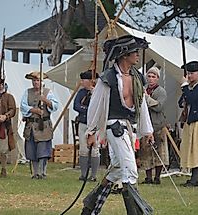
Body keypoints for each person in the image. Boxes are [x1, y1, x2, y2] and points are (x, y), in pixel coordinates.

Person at [81, 35, 154, 215]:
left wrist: (147, 131)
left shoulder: (137, 77)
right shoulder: (108, 78)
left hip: (130, 127)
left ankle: (90, 206)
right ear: (124, 55)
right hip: (114, 127)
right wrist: (91, 131)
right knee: (130, 170)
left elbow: (141, 104)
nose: (137, 55)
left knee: (118, 169)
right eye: (134, 52)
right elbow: (96, 105)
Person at [20, 71, 59, 179]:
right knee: (32, 150)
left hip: (43, 126)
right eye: (34, 80)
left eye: (37, 80)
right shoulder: (27, 92)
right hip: (31, 125)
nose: (35, 82)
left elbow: (55, 106)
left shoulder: (48, 92)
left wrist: (45, 100)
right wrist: (34, 110)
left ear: (42, 82)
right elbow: (23, 106)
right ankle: (35, 173)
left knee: (43, 151)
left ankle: (42, 172)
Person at [178, 61, 198, 187]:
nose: (189, 76)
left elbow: (191, 98)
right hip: (189, 121)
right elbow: (181, 102)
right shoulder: (190, 87)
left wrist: (185, 86)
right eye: (188, 73)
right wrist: (185, 89)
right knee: (188, 149)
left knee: (196, 149)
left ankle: (195, 179)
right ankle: (192, 178)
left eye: (191, 73)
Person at [140, 67, 168, 185]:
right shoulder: (143, 89)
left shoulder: (161, 91)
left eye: (153, 76)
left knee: (159, 151)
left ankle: (157, 177)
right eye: (149, 76)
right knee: (146, 151)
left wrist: (147, 98)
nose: (151, 79)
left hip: (157, 124)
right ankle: (148, 177)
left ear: (157, 78)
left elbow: (158, 106)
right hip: (146, 124)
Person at [73, 70, 100, 182]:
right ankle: (83, 174)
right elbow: (76, 105)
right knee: (83, 149)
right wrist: (87, 110)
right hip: (83, 123)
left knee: (95, 150)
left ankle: (93, 175)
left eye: (84, 80)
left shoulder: (98, 93)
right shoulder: (81, 93)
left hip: (96, 125)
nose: (82, 82)